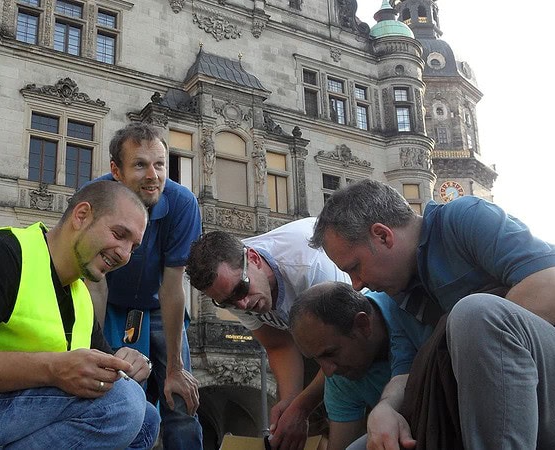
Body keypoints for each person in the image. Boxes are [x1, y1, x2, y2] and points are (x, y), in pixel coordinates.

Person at [310, 179, 555, 449]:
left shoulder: (464, 217)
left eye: (354, 267)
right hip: (471, 414)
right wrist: (386, 408)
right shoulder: (394, 293)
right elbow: (407, 371)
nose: (357, 284)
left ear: (383, 236)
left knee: (473, 313)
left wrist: (459, 341)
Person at [0, 180, 159, 448]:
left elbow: (98, 368)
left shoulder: (79, 296)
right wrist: (53, 369)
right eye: (119, 234)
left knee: (146, 418)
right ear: (81, 216)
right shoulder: (2, 254)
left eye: (134, 246)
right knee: (121, 404)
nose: (124, 254)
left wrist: (129, 361)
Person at [85, 122, 203, 449]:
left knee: (180, 400)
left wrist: (176, 368)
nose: (153, 175)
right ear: (116, 171)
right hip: (108, 306)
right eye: (140, 164)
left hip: (158, 309)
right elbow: (95, 282)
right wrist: (96, 350)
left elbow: (173, 286)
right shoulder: (95, 198)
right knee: (111, 392)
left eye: (160, 164)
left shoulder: (183, 204)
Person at [186, 218, 350, 450]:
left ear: (253, 258)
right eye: (227, 303)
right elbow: (279, 345)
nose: (242, 305)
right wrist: (290, 402)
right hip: (311, 336)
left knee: (342, 416)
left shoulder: (309, 265)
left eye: (241, 290)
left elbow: (343, 351)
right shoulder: (234, 284)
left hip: (355, 328)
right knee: (301, 423)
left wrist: (300, 408)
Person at [288, 282, 432, 450]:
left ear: (363, 325)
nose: (327, 372)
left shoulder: (411, 310)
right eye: (316, 359)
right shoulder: (341, 375)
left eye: (330, 353)